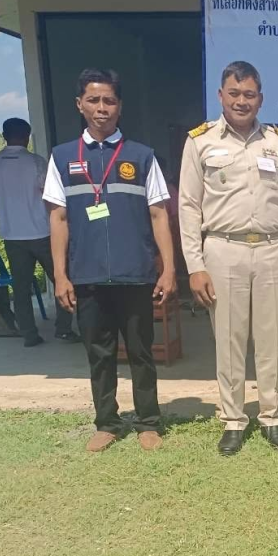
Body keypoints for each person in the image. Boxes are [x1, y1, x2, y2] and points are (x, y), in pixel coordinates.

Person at [44, 67, 176, 453]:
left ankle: (148, 421)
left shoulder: (141, 156)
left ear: (120, 107)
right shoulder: (62, 157)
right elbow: (59, 217)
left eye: (109, 101)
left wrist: (168, 269)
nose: (102, 108)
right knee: (98, 353)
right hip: (86, 276)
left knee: (140, 352)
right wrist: (60, 275)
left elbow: (158, 215)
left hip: (135, 273)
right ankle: (107, 422)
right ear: (80, 104)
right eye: (94, 100)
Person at [179, 60, 278, 456]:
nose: (241, 101)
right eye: (234, 94)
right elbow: (188, 207)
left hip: (272, 249)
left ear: (260, 99)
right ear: (221, 96)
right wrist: (195, 265)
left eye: (249, 94)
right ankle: (234, 420)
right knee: (230, 340)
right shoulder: (200, 142)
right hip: (223, 249)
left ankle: (272, 418)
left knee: (272, 340)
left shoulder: (276, 143)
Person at [0, 116, 77, 347]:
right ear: (27, 137)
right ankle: (64, 329)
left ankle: (29, 334)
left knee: (21, 287)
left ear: (5, 136)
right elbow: (50, 195)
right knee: (61, 279)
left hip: (11, 234)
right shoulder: (36, 162)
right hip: (41, 231)